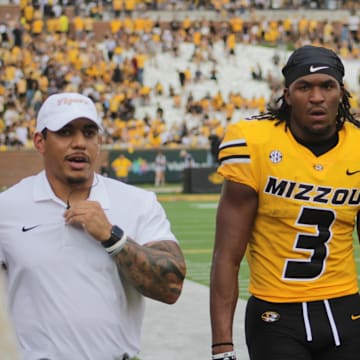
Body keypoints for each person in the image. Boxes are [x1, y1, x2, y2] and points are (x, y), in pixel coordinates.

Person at [0, 92, 186, 360]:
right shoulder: (8, 207)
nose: (79, 143)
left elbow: (171, 288)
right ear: (40, 141)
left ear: (99, 141)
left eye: (89, 133)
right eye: (65, 132)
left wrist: (113, 238)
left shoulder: (138, 202)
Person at [210, 45, 360, 360]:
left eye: (327, 86)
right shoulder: (255, 143)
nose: (317, 96)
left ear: (341, 93)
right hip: (275, 315)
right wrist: (222, 346)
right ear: (288, 95)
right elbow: (227, 255)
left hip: (345, 309)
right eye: (304, 86)